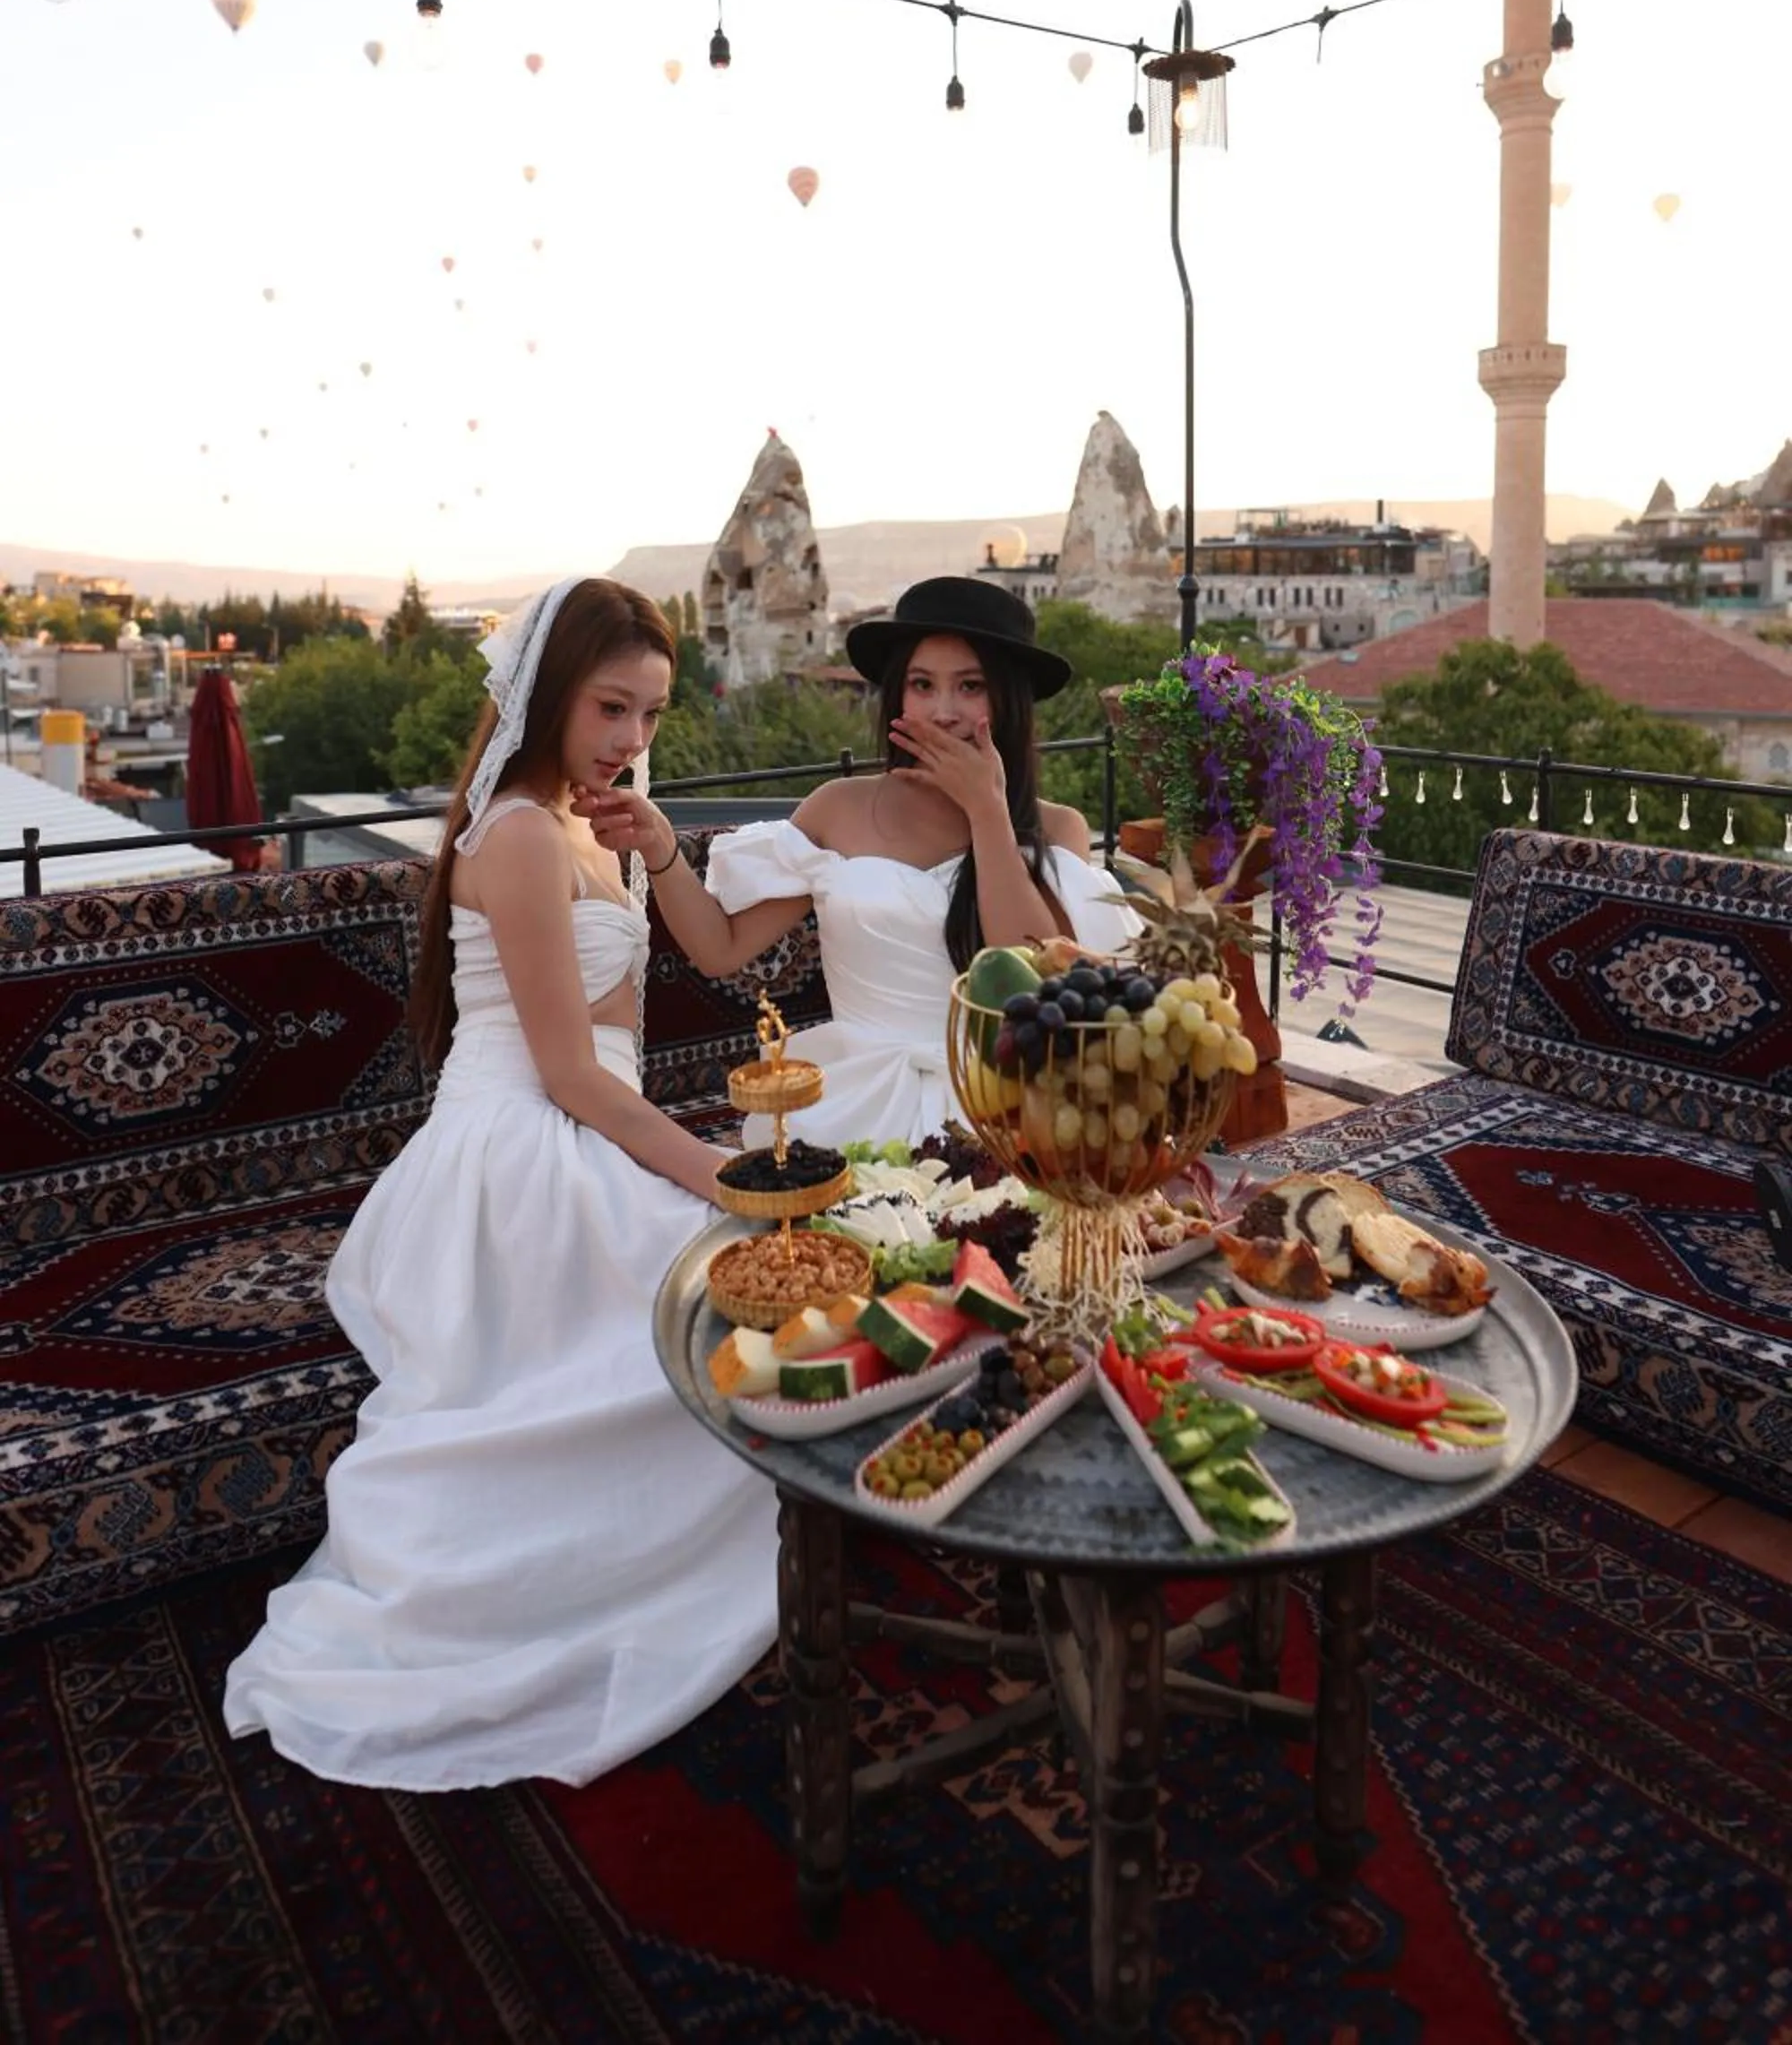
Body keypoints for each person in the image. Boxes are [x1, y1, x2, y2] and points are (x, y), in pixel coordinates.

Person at [223, 578, 775, 1792]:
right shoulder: (522, 833)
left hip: (590, 1129)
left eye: (650, 714)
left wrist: (658, 845)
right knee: (713, 1306)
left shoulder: (598, 821)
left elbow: (698, 965)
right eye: (610, 707)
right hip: (525, 1146)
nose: (631, 739)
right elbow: (573, 1075)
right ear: (545, 697)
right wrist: (730, 1175)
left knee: (736, 1307)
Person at [586, 576, 1136, 1148]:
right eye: (922, 684)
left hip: (1006, 1104)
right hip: (857, 1103)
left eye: (970, 686)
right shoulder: (838, 807)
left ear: (1008, 700)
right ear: (899, 694)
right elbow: (719, 949)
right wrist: (660, 849)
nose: (943, 711)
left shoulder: (1058, 829)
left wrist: (987, 813)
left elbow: (1031, 985)